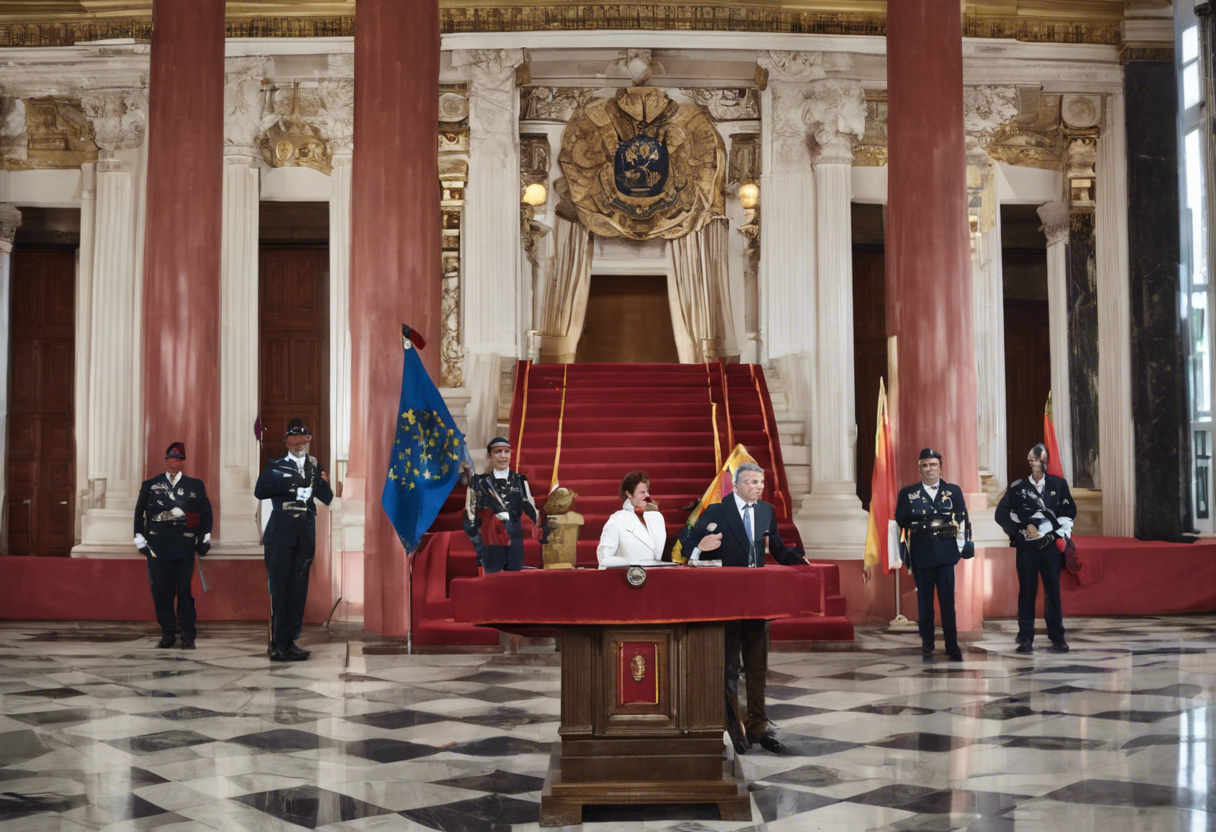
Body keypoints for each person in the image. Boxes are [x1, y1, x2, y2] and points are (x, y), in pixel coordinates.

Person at [682, 462, 806, 755]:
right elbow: (689, 547)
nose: (758, 487)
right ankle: (733, 729)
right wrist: (701, 546)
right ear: (736, 485)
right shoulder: (716, 511)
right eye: (751, 482)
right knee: (728, 668)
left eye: (761, 482)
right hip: (725, 601)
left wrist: (800, 563)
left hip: (757, 600)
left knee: (757, 667)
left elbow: (776, 547)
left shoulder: (766, 511)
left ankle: (758, 729)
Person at [254, 418, 333, 662]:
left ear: (309, 439)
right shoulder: (275, 466)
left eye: (302, 438)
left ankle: (290, 640)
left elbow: (327, 498)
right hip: (280, 535)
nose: (298, 442)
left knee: (298, 591)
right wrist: (291, 488)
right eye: (293, 438)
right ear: (287, 441)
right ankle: (277, 644)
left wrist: (324, 483)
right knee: (280, 590)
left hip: (304, 536)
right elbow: (260, 491)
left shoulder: (313, 466)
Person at [995, 443, 1077, 654]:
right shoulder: (1017, 488)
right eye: (1032, 459)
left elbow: (1068, 511)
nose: (1035, 463)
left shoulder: (1058, 485)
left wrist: (1051, 530)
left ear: (1046, 462)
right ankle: (1025, 637)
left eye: (1039, 459)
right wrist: (1020, 530)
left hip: (1050, 547)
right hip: (1027, 549)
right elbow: (1001, 514)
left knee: (1052, 592)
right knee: (1027, 592)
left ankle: (1057, 637)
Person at [133, 442, 213, 650]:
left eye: (178, 459)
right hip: (158, 547)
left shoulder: (195, 485)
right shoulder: (151, 484)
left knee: (186, 592)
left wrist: (204, 539)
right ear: (166, 459)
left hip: (184, 546)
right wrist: (139, 538)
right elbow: (139, 513)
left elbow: (206, 514)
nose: (174, 463)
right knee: (162, 592)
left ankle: (187, 633)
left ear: (183, 462)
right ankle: (168, 633)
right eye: (171, 459)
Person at [894, 448, 971, 662]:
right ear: (919, 468)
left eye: (934, 465)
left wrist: (962, 546)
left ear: (940, 467)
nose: (930, 469)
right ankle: (927, 644)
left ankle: (952, 646)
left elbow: (962, 518)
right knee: (925, 603)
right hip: (922, 554)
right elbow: (901, 520)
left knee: (948, 604)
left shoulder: (953, 491)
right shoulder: (908, 494)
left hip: (946, 555)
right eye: (926, 465)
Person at [462, 436, 538, 573]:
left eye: (506, 451)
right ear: (489, 455)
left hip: (514, 537)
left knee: (513, 580)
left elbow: (529, 505)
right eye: (497, 452)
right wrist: (478, 545)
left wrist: (540, 522)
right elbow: (470, 514)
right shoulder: (478, 482)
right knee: (493, 579)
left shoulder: (520, 480)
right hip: (490, 539)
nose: (503, 456)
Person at [597, 471, 666, 567]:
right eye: (642, 492)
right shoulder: (617, 520)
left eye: (647, 491)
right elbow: (604, 559)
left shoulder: (657, 518)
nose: (647, 496)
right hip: (628, 578)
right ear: (629, 494)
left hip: (654, 576)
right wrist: (632, 563)